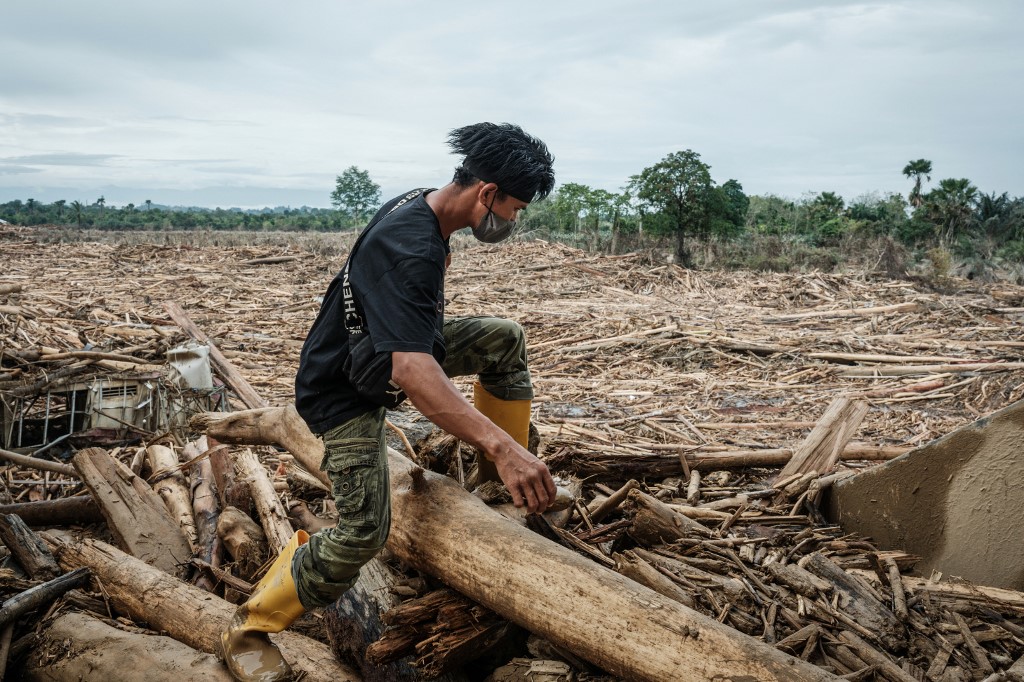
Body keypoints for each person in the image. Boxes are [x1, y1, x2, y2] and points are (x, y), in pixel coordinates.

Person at [222, 122, 559, 681]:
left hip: (384, 352)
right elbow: (413, 372)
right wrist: (502, 445)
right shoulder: (411, 246)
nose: (513, 221)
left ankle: (498, 487)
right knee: (362, 532)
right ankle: (248, 626)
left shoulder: (423, 205)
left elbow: (411, 343)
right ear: (486, 193)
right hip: (345, 388)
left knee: (504, 338)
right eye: (515, 208)